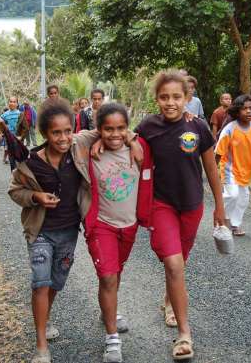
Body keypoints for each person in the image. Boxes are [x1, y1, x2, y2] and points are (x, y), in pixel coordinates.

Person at [8, 99, 141, 363]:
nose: (63, 137)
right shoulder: (32, 162)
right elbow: (15, 190)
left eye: (68, 131)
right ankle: (41, 346)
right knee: (40, 284)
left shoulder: (78, 144)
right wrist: (35, 196)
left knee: (55, 282)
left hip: (69, 231)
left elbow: (114, 129)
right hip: (40, 232)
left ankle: (45, 321)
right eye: (56, 133)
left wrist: (133, 139)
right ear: (45, 133)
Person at [134, 70, 225, 361]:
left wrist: (219, 207)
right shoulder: (148, 126)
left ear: (187, 98)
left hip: (192, 206)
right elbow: (123, 139)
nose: (170, 103)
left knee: (179, 262)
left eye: (176, 97)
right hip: (161, 205)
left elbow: (211, 169)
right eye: (164, 97)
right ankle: (185, 335)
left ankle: (169, 299)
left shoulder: (197, 127)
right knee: (174, 264)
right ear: (156, 99)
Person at [81, 103, 150, 363]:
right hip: (101, 225)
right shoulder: (90, 152)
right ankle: (112, 339)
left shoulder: (140, 150)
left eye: (121, 128)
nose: (114, 134)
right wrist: (96, 138)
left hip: (128, 225)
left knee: (116, 273)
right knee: (108, 276)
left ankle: (108, 311)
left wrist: (131, 138)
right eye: (107, 129)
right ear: (99, 129)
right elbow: (72, 136)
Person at [215, 95, 251, 236]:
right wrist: (213, 173)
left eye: (250, 108)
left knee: (243, 199)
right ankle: (222, 217)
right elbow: (218, 152)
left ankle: (235, 224)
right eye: (244, 109)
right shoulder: (229, 129)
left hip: (245, 171)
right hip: (229, 169)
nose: (248, 111)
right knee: (232, 195)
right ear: (237, 112)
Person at [0, 96, 22, 170]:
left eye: (14, 102)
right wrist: (0, 133)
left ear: (17, 104)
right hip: (8, 138)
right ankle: (13, 174)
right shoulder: (5, 115)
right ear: (8, 103)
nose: (12, 103)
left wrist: (21, 136)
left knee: (19, 157)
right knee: (11, 157)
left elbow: (25, 127)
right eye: (10, 101)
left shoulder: (20, 114)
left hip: (18, 139)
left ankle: (19, 174)